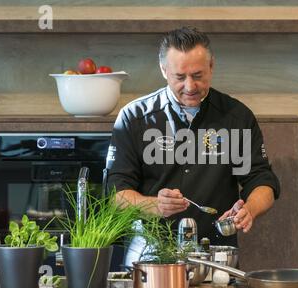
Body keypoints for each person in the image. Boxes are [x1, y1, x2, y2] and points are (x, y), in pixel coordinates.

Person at [106, 26, 280, 252]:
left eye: (198, 76)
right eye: (180, 77)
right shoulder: (134, 117)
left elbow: (261, 180)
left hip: (216, 252)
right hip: (149, 253)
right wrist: (156, 205)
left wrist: (250, 209)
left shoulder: (236, 117)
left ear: (211, 66)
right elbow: (115, 194)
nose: (190, 86)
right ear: (163, 70)